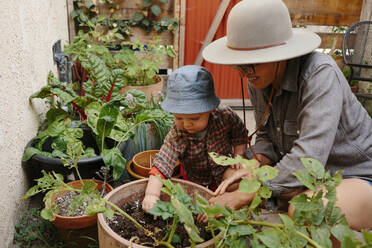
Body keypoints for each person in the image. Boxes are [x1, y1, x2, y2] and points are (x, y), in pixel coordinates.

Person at [202, 0, 372, 231]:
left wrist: (249, 191)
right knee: (234, 183)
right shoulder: (258, 77)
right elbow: (265, 134)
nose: (244, 73)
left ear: (279, 53)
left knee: (306, 212)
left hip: (356, 175)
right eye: (238, 65)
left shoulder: (319, 74)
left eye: (250, 64)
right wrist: (254, 164)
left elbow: (310, 156)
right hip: (312, 179)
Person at [142, 65, 249, 212]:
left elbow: (239, 133)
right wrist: (151, 194)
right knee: (194, 204)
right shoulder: (177, 134)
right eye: (179, 117)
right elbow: (162, 163)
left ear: (210, 109)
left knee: (239, 183)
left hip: (222, 171)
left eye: (194, 118)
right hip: (194, 179)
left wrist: (239, 155)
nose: (186, 124)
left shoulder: (225, 116)